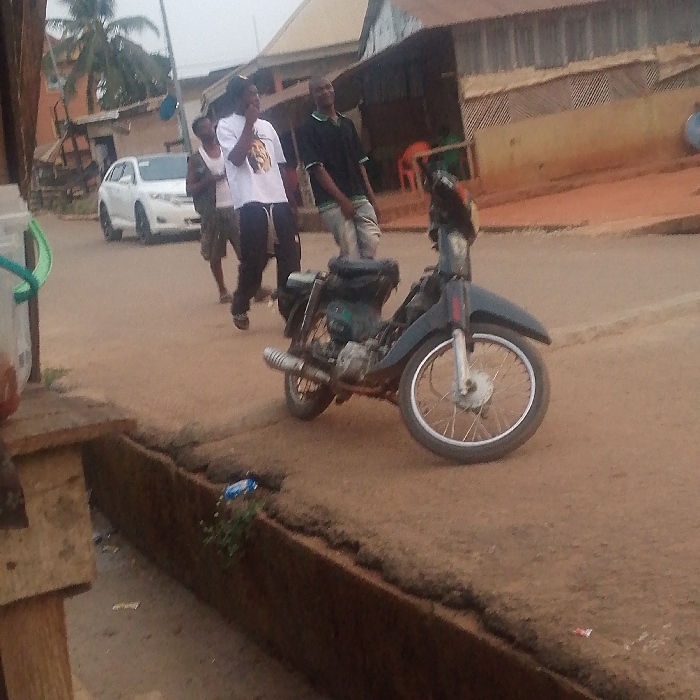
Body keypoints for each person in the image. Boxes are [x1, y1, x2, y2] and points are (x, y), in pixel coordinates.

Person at [216, 76, 301, 330]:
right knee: (254, 261)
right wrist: (249, 125)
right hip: (251, 202)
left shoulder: (268, 127)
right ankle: (241, 301)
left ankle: (290, 313)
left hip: (278, 200)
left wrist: (291, 202)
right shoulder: (225, 126)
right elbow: (236, 158)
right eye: (250, 94)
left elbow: (281, 166)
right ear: (237, 99)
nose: (256, 98)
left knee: (290, 258)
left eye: (257, 93)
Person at [186, 116, 271, 304]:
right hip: (212, 212)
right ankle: (223, 290)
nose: (209, 130)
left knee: (246, 250)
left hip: (235, 207)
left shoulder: (227, 149)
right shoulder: (195, 159)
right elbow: (189, 189)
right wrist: (208, 181)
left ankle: (254, 288)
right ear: (198, 134)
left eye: (210, 126)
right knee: (215, 254)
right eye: (204, 129)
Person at [299, 75, 381, 260]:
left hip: (358, 195)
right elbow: (317, 169)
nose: (325, 92)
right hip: (332, 202)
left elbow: (360, 163)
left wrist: (372, 198)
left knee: (371, 243)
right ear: (312, 96)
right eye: (319, 89)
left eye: (328, 87)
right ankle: (348, 277)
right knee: (351, 253)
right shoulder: (309, 129)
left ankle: (358, 277)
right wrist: (342, 200)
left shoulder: (347, 124)